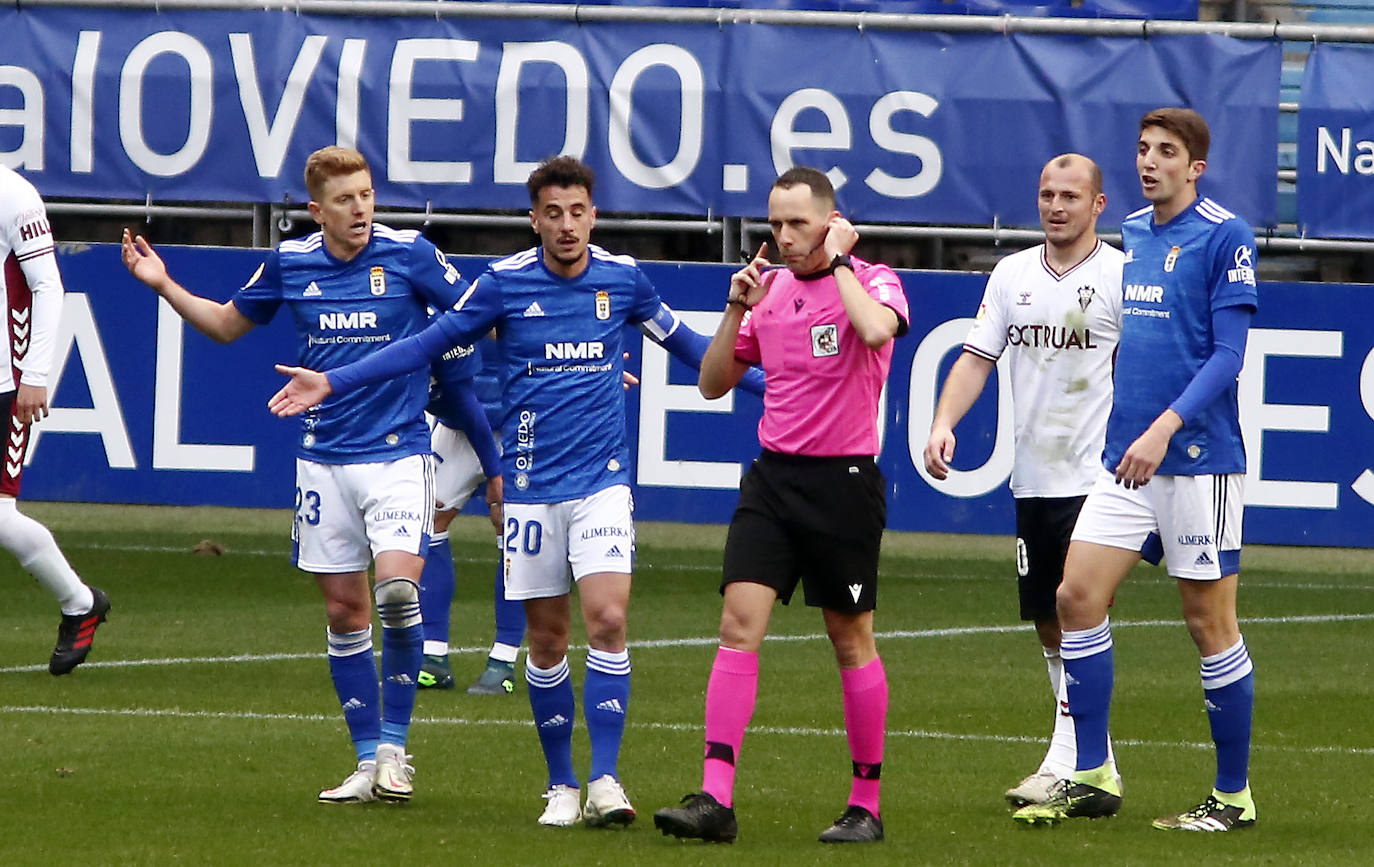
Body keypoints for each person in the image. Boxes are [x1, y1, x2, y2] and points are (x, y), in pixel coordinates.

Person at [269, 155, 676, 830]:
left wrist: (781, 383)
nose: (568, 224)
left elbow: (695, 348)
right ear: (534, 219)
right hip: (523, 475)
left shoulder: (623, 279)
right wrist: (333, 381)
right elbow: (429, 344)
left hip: (599, 478)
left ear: (594, 214)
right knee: (546, 639)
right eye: (554, 212)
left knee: (606, 618)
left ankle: (605, 776)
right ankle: (561, 783)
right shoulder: (501, 283)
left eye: (579, 211)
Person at [121, 146, 464, 804]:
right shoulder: (291, 262)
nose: (361, 207)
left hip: (398, 452)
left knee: (395, 592)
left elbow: (479, 317)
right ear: (316, 210)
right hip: (323, 459)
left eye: (366, 194)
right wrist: (163, 282)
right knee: (344, 610)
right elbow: (225, 325)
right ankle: (366, 761)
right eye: (345, 199)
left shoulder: (411, 253)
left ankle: (396, 749)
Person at [1012, 108, 1259, 831]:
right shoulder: (1139, 236)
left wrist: (1164, 425)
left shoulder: (1224, 234)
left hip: (1196, 460)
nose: (1150, 162)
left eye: (1166, 152)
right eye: (1144, 150)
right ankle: (1090, 773)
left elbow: (1228, 355)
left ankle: (1232, 795)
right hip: (1127, 461)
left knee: (1208, 621)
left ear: (1195, 167)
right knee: (1075, 597)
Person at [652, 167, 909, 845]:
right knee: (738, 622)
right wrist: (736, 307)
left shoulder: (874, 278)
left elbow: (877, 332)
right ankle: (715, 797)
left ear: (831, 220)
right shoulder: (768, 293)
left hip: (844, 482)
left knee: (849, 636)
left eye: (798, 223)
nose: (784, 237)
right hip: (772, 479)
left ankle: (865, 801)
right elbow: (712, 384)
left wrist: (846, 260)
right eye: (775, 224)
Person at [420, 307, 766, 696]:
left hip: (525, 428)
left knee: (514, 535)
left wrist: (588, 373)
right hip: (457, 431)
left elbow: (683, 346)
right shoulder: (413, 339)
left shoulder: (472, 308)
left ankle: (502, 660)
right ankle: (432, 655)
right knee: (428, 524)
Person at [923, 154, 1123, 807]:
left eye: (1071, 195)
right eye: (1046, 193)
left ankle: (1070, 759)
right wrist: (943, 420)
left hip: (1099, 475)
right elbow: (977, 358)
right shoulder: (1012, 275)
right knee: (1048, 619)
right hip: (1035, 475)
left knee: (1078, 607)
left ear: (1098, 205)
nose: (1056, 205)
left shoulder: (1123, 275)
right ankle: (1093, 759)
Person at [0, 165, 111, 675]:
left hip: (5, 381)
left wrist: (34, 374)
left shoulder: (14, 195)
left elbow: (48, 285)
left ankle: (79, 602)